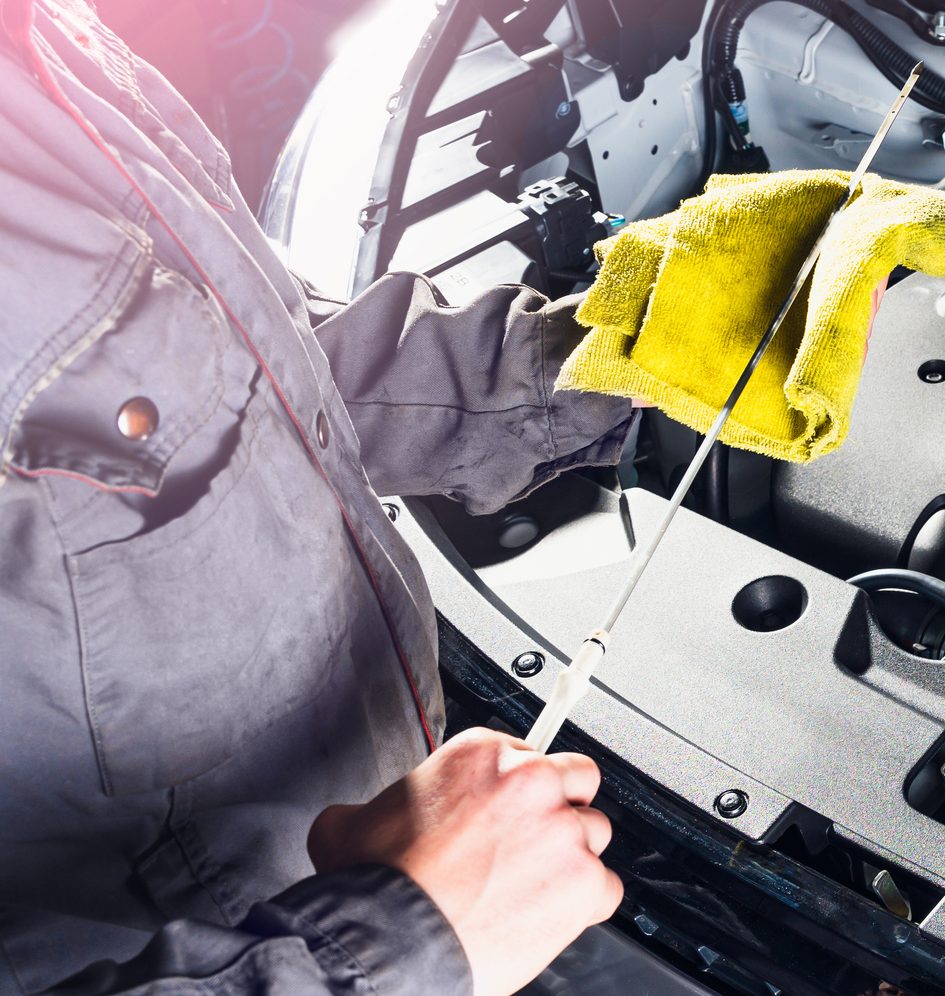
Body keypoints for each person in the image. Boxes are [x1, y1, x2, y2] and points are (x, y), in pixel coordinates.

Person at [0, 0, 634, 992]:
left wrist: (597, 364)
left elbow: (242, 361)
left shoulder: (42, 41)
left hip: (420, 845)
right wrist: (389, 948)